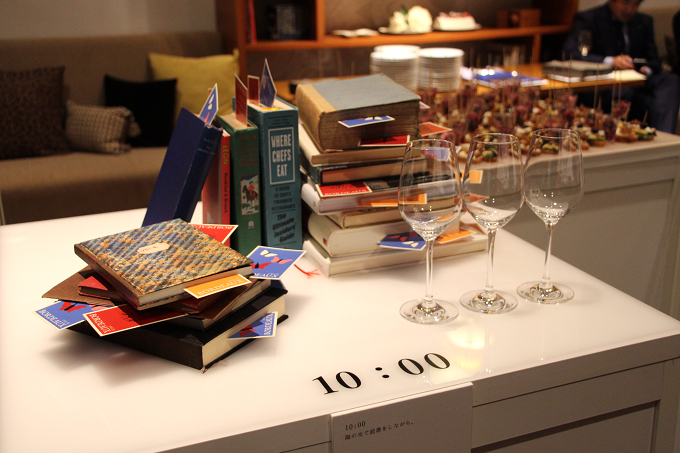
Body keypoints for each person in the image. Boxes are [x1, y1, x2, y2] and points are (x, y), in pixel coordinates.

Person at [563, 0, 680, 133]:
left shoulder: (644, 21)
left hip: (639, 80)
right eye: (625, 3)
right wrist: (611, 61)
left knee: (671, 81)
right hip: (609, 82)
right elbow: (570, 52)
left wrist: (644, 69)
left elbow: (654, 61)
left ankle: (665, 137)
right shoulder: (589, 18)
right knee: (646, 100)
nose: (629, 9)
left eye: (635, 4)